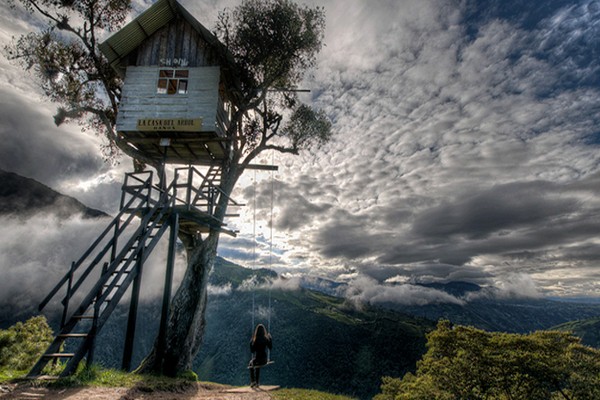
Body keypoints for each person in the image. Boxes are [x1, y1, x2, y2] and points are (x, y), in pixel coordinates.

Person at [248, 323, 272, 388]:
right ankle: (257, 383)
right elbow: (270, 347)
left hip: (257, 359)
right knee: (256, 365)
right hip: (264, 359)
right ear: (264, 331)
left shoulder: (255, 340)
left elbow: (252, 351)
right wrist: (270, 338)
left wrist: (251, 342)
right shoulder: (265, 339)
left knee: (251, 364)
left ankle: (253, 381)